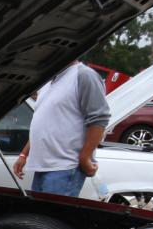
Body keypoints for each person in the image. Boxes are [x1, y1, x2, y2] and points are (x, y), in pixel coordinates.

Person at [12, 61, 109, 197]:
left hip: (66, 166)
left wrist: (85, 157)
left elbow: (99, 119)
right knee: (39, 212)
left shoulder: (84, 75)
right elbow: (44, 123)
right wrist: (24, 154)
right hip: (43, 166)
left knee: (52, 211)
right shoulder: (48, 82)